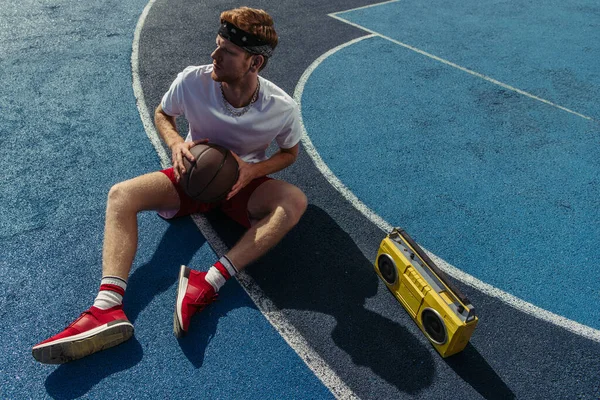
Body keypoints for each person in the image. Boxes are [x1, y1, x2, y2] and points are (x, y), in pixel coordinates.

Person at [32, 6, 307, 364]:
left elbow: (290, 152)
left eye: (228, 52)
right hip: (192, 177)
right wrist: (177, 144)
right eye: (217, 44)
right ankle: (106, 308)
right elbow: (163, 114)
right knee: (121, 194)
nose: (214, 56)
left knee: (295, 201)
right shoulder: (193, 80)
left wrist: (253, 172)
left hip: (240, 186)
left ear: (254, 64)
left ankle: (207, 282)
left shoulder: (281, 107)